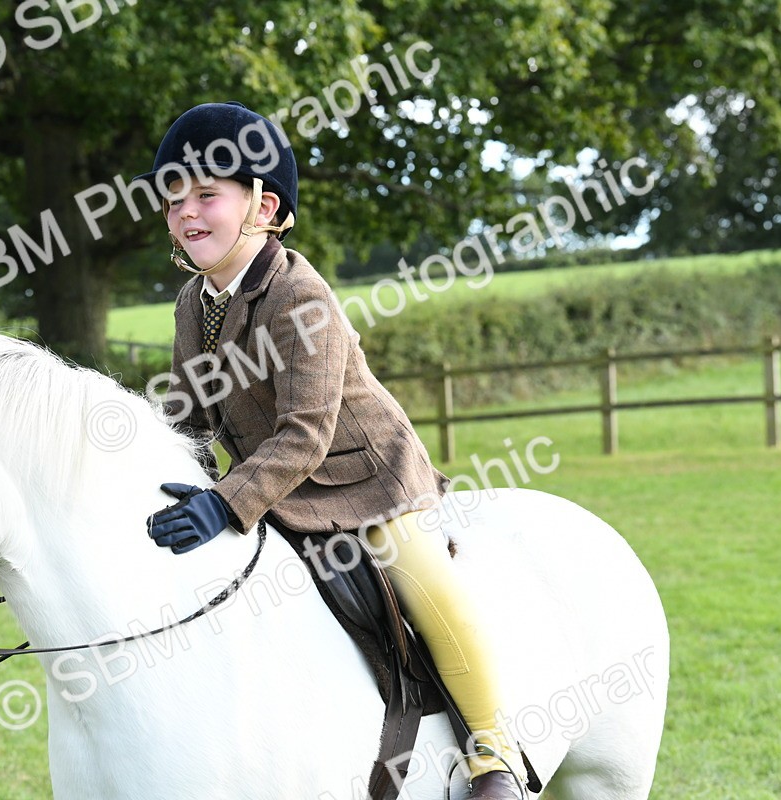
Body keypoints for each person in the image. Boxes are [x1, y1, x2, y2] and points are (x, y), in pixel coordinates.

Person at [135, 101, 526, 800]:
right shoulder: (195, 301)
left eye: (205, 195)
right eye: (172, 199)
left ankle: (493, 755)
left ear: (263, 205)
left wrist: (225, 502)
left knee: (429, 593)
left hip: (367, 480)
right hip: (279, 487)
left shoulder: (300, 295)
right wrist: (159, 477)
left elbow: (307, 433)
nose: (185, 213)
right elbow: (189, 414)